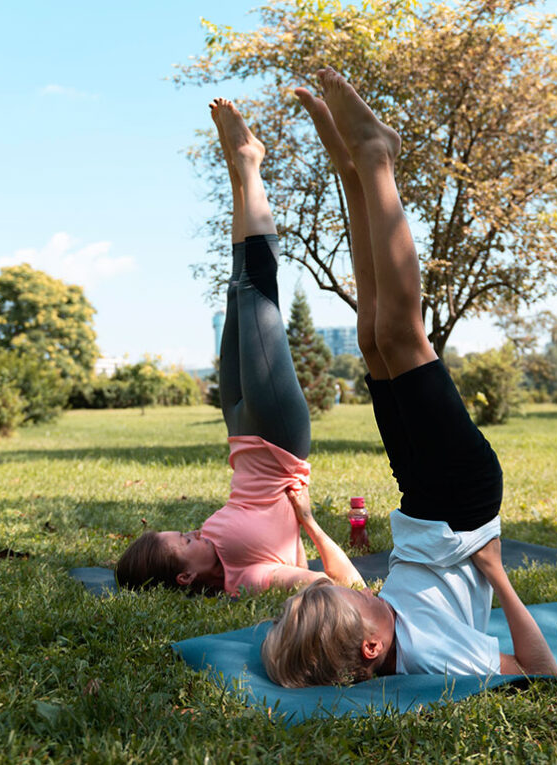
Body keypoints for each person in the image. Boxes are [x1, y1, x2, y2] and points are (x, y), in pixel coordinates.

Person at [261, 69, 557, 686]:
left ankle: (352, 172)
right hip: (463, 503)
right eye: (360, 601)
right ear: (372, 647)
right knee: (403, 337)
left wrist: (313, 526)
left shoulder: (377, 626)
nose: (367, 591)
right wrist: (497, 573)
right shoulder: (434, 654)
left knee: (373, 340)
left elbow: (347, 587)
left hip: (424, 508)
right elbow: (541, 671)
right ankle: (375, 158)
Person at [115, 99, 363, 597]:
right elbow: (348, 587)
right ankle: (249, 161)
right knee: (256, 290)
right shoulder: (249, 579)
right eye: (186, 539)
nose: (194, 531)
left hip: (240, 435)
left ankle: (240, 173)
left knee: (235, 287)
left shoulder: (213, 548)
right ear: (186, 576)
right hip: (276, 438)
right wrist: (310, 523)